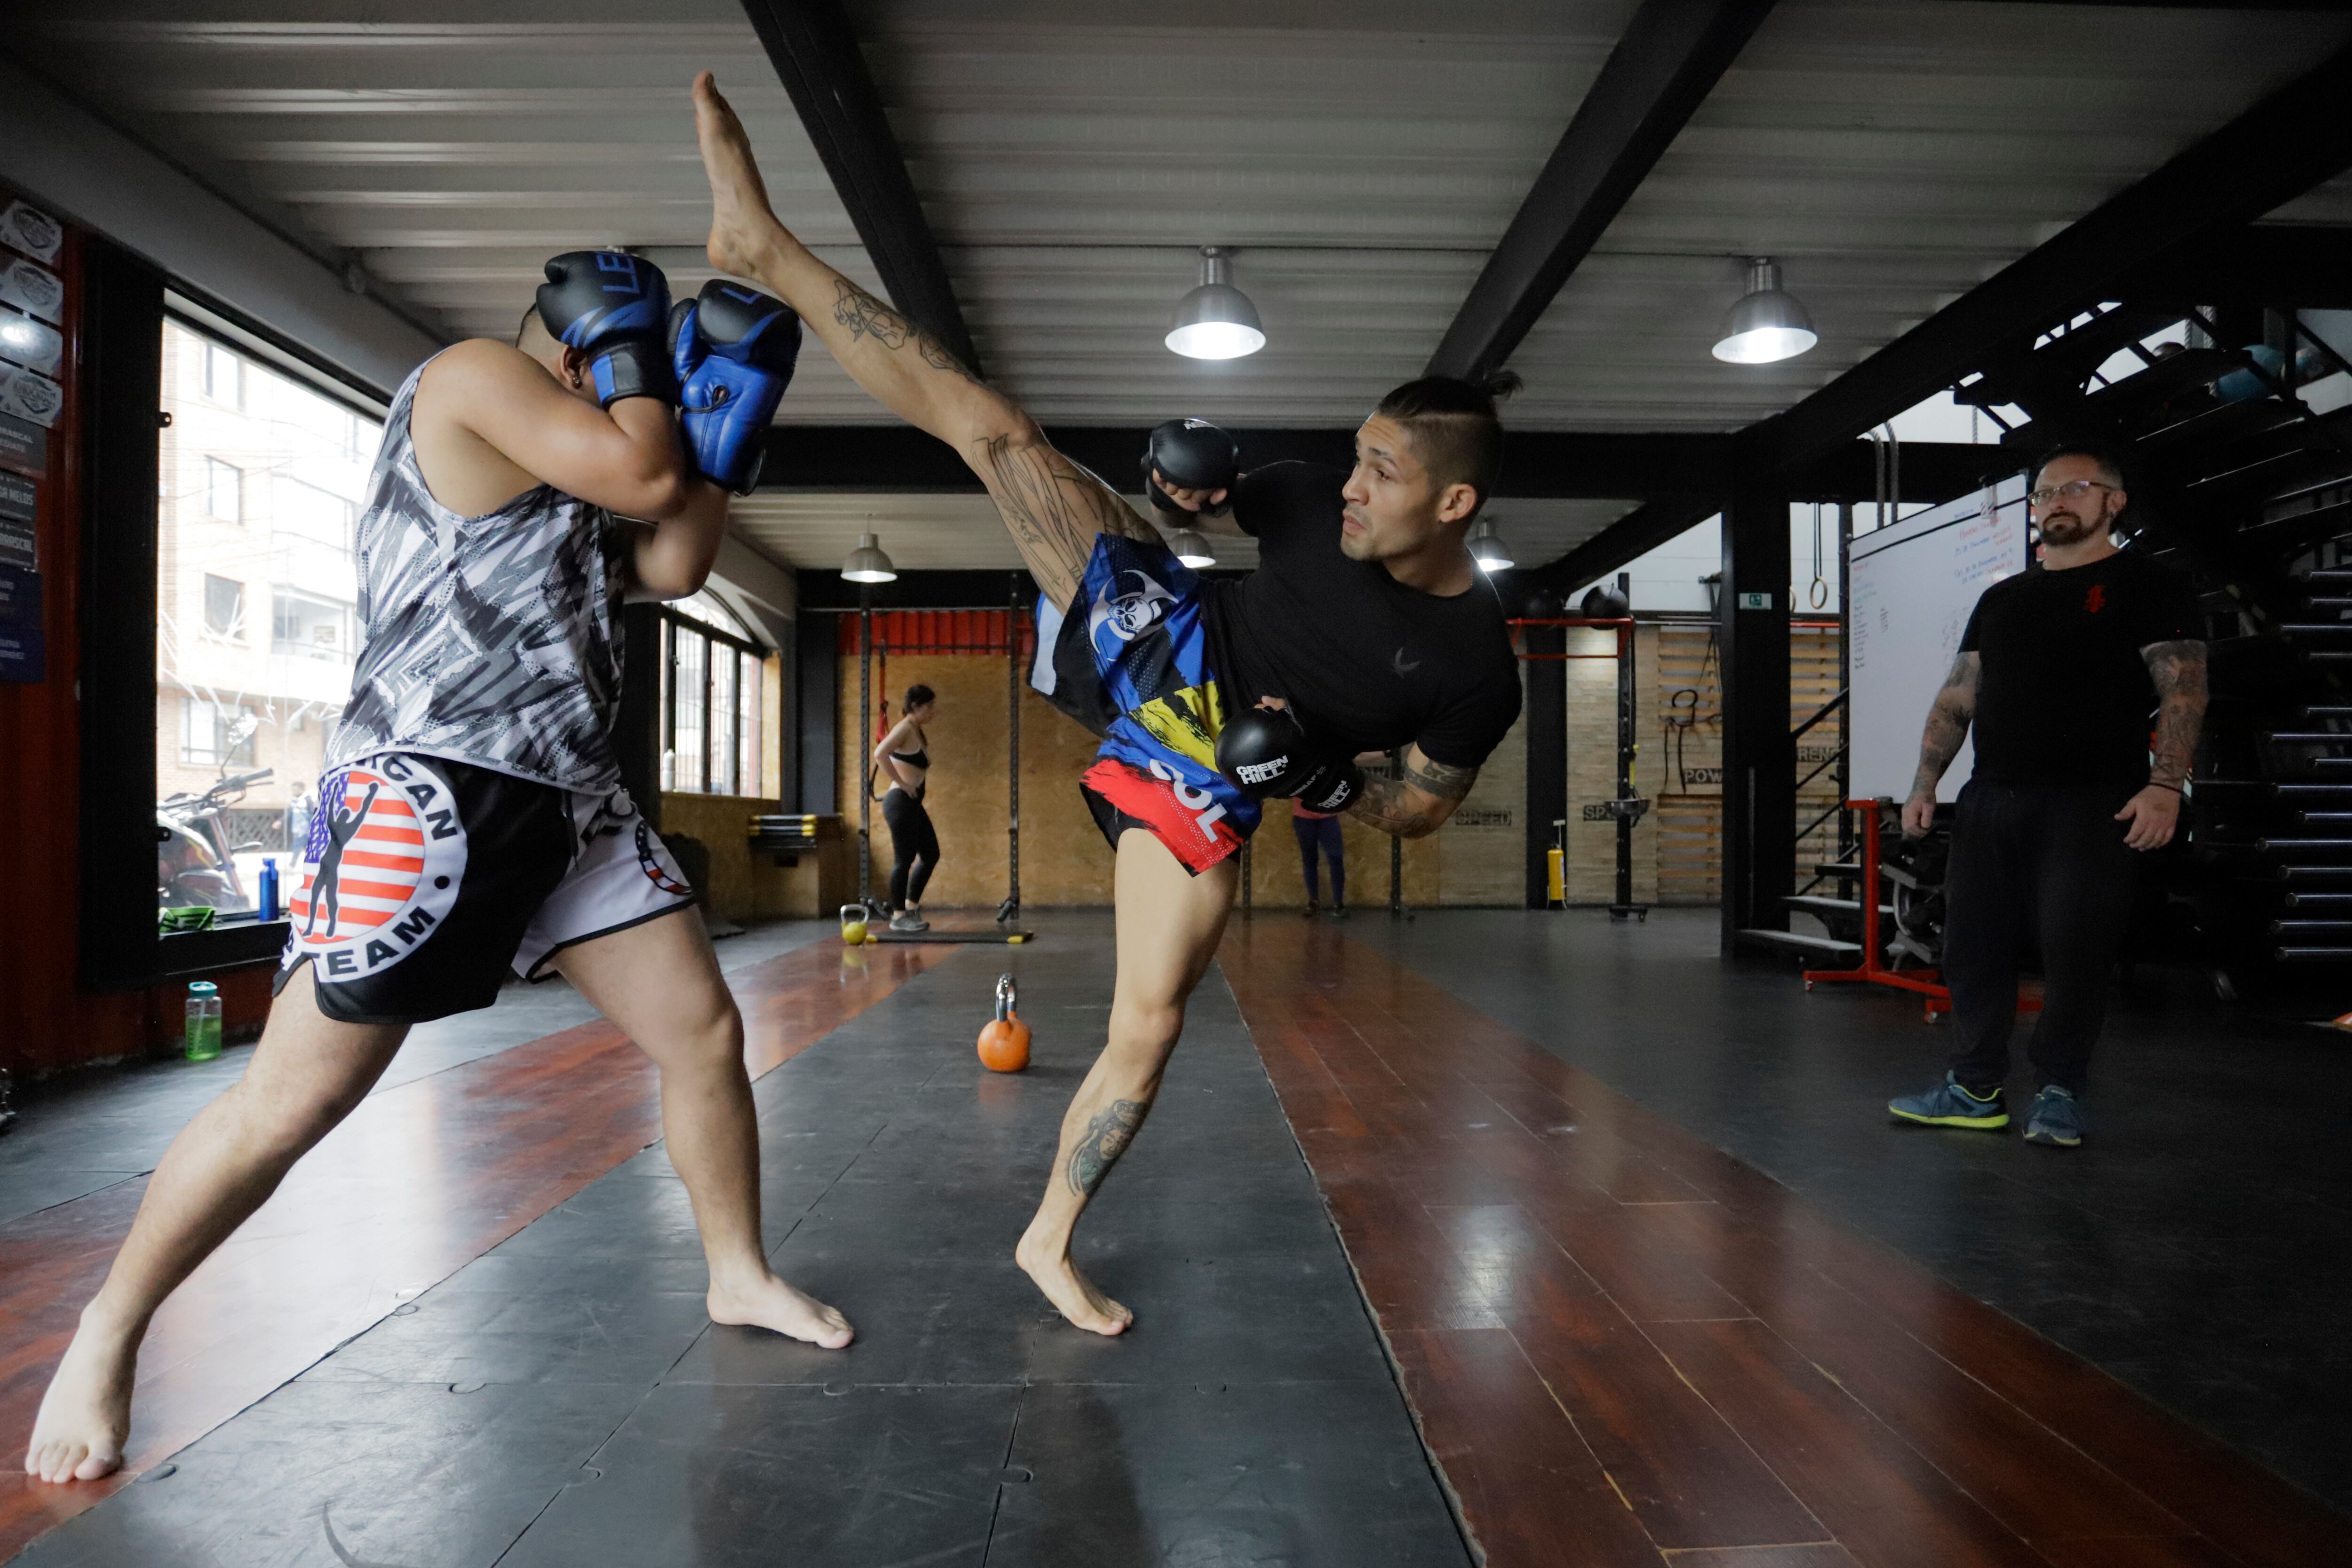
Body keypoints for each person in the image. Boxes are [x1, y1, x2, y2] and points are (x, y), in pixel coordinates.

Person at [690, 72, 1522, 1333]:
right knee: (1001, 434)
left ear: (1453, 506)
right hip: (1166, 640)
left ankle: (1049, 1237)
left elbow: (1420, 807)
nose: (1350, 484)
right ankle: (768, 250)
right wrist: (1179, 493)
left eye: (1384, 472)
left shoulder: (1479, 665)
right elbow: (1198, 504)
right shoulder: (1306, 494)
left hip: (1219, 774)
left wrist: (1327, 781)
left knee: (1150, 1018)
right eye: (1356, 455)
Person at [26, 244, 848, 1487]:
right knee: (290, 1104)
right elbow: (641, 462)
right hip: (434, 795)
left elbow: (672, 561)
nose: (653, 405)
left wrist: (728, 432)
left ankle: (736, 1268)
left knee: (701, 1032)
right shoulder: (470, 378)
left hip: (572, 801)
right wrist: (668, 413)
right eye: (629, 369)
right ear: (580, 353)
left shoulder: (573, 491)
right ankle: (109, 1326)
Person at [1888, 443, 2205, 1148]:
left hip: (2093, 802)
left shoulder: (2150, 585)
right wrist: (1925, 782)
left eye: (2075, 488)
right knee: (1971, 950)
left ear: (2112, 502)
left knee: (2075, 951)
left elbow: (2183, 689)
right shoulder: (2001, 598)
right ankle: (1973, 1089)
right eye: (2044, 493)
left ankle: (2061, 1089)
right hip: (1992, 798)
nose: (2055, 501)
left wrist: (2164, 785)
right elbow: (1958, 694)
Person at [873, 683, 940, 933]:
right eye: (930, 706)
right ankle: (898, 916)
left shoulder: (915, 730)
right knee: (904, 860)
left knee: (931, 853)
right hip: (900, 803)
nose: (933, 711)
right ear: (916, 706)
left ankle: (911, 909)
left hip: (910, 805)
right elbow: (880, 753)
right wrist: (902, 784)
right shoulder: (904, 728)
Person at [1292, 800, 1347, 918]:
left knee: (1336, 858)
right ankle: (1314, 902)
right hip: (1303, 817)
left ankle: (1339, 903)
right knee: (1310, 860)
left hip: (1328, 817)